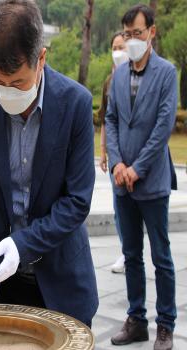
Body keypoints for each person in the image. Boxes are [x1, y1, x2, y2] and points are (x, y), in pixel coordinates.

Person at [0, 0, 98, 332]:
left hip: (63, 280)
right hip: (2, 281)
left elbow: (77, 201)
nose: (7, 92)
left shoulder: (74, 104)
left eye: (18, 83)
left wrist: (23, 244)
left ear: (42, 59)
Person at [105, 4, 178, 350]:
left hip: (151, 181)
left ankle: (165, 325)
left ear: (152, 32)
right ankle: (136, 320)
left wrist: (137, 168)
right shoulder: (119, 74)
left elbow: (163, 127)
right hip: (122, 183)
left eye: (137, 33)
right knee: (131, 253)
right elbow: (112, 120)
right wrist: (118, 164)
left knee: (161, 257)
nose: (132, 40)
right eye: (127, 34)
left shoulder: (167, 73)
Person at [98, 32, 129, 274]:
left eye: (122, 46)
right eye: (114, 47)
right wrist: (104, 151)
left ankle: (134, 252)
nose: (117, 51)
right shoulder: (110, 81)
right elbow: (106, 119)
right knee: (120, 210)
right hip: (115, 156)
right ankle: (126, 252)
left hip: (137, 158)